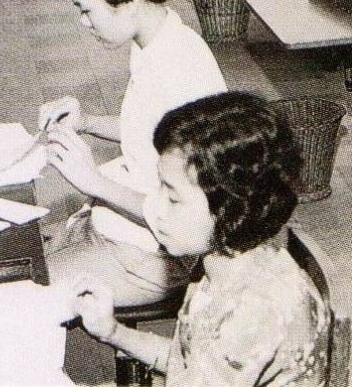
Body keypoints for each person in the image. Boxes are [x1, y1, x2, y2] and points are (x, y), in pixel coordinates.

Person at [72, 91, 330, 386]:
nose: (156, 207)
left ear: (228, 208)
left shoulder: (252, 312)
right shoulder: (225, 264)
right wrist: (113, 332)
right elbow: (190, 361)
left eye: (172, 196)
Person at [40, 0, 227, 307]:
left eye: (87, 10)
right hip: (132, 232)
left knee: (22, 295)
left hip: (160, 257)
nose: (83, 22)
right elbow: (149, 133)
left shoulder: (178, 71)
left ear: (126, 0)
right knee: (21, 257)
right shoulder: (156, 41)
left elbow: (188, 219)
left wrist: (93, 182)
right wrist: (87, 123)